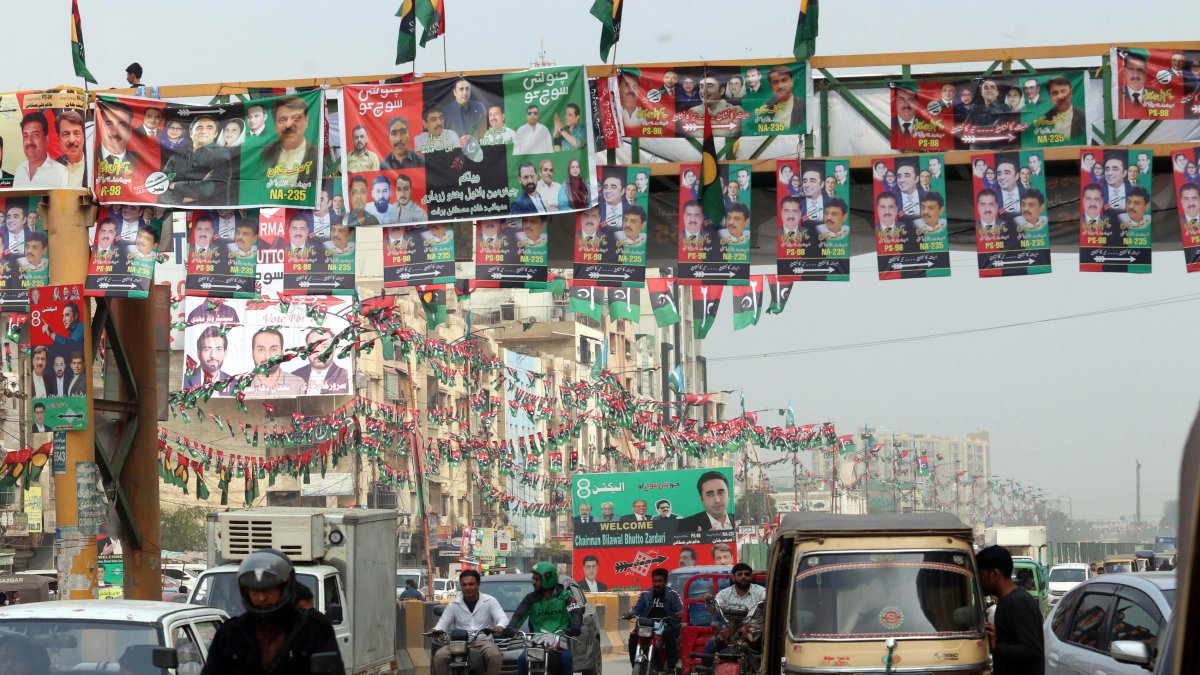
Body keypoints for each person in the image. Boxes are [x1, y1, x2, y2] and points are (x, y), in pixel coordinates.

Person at [200, 549, 343, 675]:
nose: (261, 598)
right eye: (255, 591)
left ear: (285, 588)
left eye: (269, 590)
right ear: (246, 592)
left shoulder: (314, 627)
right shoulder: (231, 633)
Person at [975, 546, 1043, 675]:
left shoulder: (1017, 602)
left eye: (982, 574)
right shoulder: (1009, 600)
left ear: (994, 574)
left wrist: (997, 646)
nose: (979, 580)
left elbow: (1032, 650)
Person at [505, 562, 581, 675]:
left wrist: (575, 626)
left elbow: (576, 612)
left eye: (537, 579)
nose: (534, 582)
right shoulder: (530, 598)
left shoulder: (565, 596)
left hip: (560, 643)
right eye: (533, 579)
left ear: (548, 579)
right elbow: (519, 615)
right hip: (537, 642)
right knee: (522, 660)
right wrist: (511, 627)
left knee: (566, 658)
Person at [430, 570, 506, 675]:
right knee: (439, 656)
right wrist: (436, 630)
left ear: (478, 585)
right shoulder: (454, 604)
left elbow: (502, 618)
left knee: (495, 655)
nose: (467, 588)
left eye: (471, 584)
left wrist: (500, 626)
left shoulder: (490, 601)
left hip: (483, 642)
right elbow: (443, 622)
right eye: (464, 585)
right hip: (459, 643)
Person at [701, 563, 765, 663]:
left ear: (751, 576)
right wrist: (709, 601)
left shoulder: (761, 591)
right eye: (740, 574)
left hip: (755, 632)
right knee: (710, 646)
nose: (743, 576)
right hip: (730, 630)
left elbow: (768, 601)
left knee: (768, 649)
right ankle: (706, 670)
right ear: (733, 577)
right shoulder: (725, 593)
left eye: (747, 574)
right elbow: (714, 610)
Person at [163, 116, 232, 206]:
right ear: (191, 133)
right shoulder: (176, 156)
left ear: (215, 134)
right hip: (178, 210)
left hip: (210, 211)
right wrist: (180, 199)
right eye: (199, 127)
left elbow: (209, 189)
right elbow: (161, 184)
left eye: (209, 128)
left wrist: (175, 185)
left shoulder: (221, 154)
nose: (203, 131)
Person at [622, 568, 682, 668]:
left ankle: (671, 667)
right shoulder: (646, 594)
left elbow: (681, 608)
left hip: (667, 626)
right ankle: (634, 666)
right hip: (647, 626)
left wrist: (680, 614)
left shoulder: (673, 595)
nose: (657, 584)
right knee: (633, 637)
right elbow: (636, 608)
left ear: (666, 581)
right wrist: (629, 614)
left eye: (660, 581)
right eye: (654, 581)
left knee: (669, 635)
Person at [262, 96, 317, 187]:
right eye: (282, 120)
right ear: (275, 125)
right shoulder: (265, 154)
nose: (288, 125)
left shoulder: (317, 156)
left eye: (295, 118)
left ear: (306, 121)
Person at [13, 112, 69, 188]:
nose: (29, 141)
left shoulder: (61, 173)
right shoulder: (20, 170)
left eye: (35, 135)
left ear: (46, 139)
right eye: (25, 136)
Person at [248, 328, 307, 397]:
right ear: (252, 353)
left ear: (282, 353)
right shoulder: (240, 386)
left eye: (273, 349)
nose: (267, 356)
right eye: (261, 350)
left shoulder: (298, 383)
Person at [292, 327, 350, 395]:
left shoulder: (346, 375)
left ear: (334, 349)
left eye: (324, 347)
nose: (318, 353)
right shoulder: (295, 376)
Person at [1037, 76, 1085, 140]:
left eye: (1064, 91)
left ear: (1071, 93)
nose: (1060, 97)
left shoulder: (1083, 117)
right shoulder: (1044, 119)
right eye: (1054, 93)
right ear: (1050, 97)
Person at [53, 109, 87, 186]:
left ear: (83, 136)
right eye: (66, 134)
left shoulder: (94, 166)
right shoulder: (52, 168)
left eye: (76, 133)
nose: (72, 140)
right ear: (59, 138)